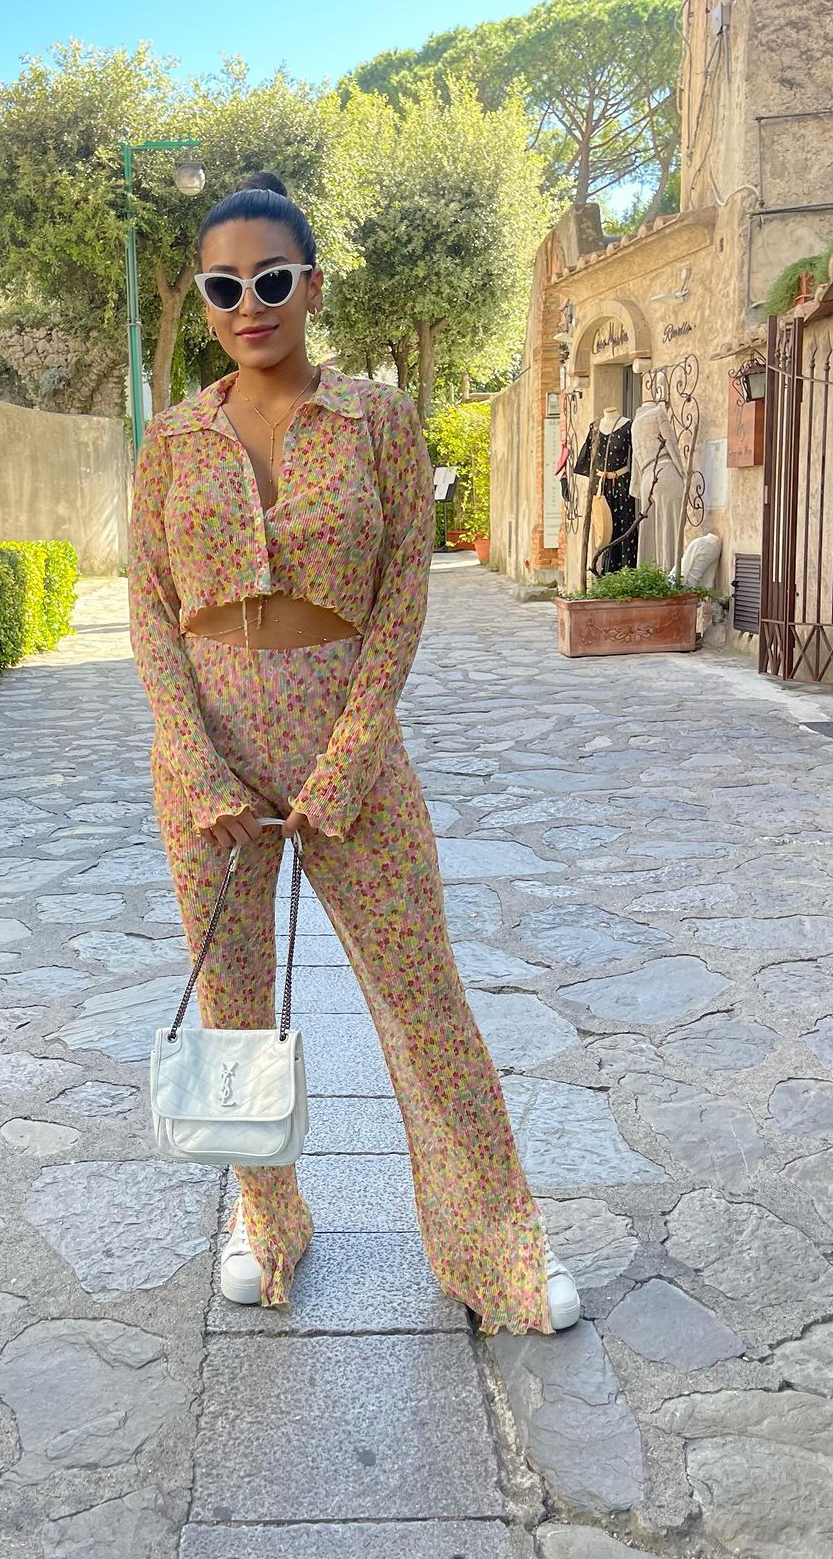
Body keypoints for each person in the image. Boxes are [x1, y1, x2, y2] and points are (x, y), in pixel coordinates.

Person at [128, 171, 579, 1335]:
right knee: (234, 1003)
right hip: (208, 763)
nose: (248, 303)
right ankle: (265, 1218)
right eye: (223, 286)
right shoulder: (172, 439)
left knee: (424, 1003)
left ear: (313, 286)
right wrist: (193, 761)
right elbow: (149, 606)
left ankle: (496, 1245)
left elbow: (401, 602)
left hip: (349, 750)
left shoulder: (378, 421)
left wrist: (349, 755)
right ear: (204, 297)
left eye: (271, 279)